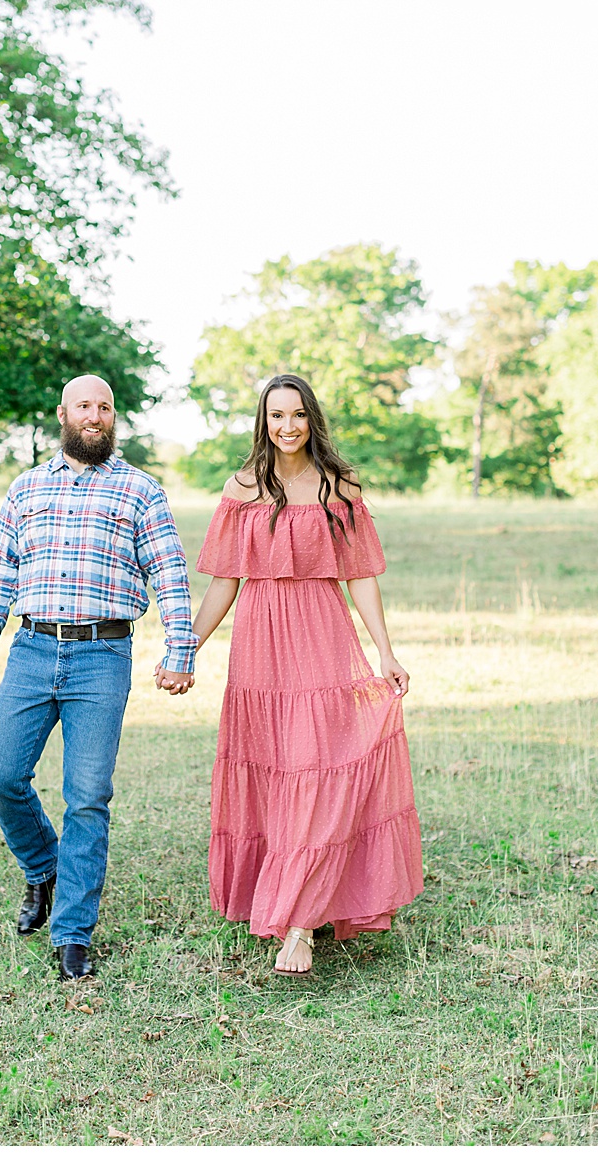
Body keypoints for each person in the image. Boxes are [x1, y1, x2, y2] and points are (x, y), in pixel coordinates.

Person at [188, 373, 422, 975]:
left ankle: (300, 925)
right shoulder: (242, 488)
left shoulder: (340, 487)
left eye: (296, 415)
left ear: (312, 419)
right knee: (275, 771)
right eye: (275, 416)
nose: (286, 426)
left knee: (317, 766)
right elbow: (225, 582)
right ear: (262, 423)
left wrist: (384, 652)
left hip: (321, 635)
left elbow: (361, 575)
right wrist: (187, 645)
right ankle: (286, 896)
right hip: (260, 646)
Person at [0, 374, 198, 981]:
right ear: (63, 413)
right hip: (33, 650)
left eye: (105, 407)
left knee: (88, 798)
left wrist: (182, 649)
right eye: (84, 407)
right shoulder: (26, 490)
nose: (95, 416)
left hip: (103, 656)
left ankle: (72, 934)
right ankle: (42, 866)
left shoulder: (141, 491)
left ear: (113, 417)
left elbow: (170, 574)